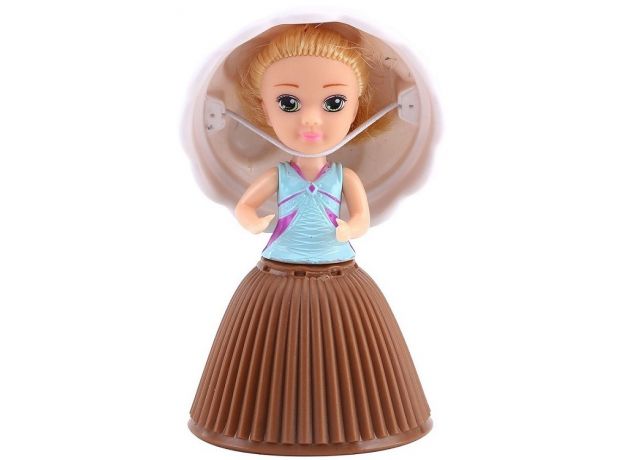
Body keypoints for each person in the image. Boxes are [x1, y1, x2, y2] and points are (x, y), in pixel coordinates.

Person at [183, 19, 440, 455]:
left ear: (356, 108)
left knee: (354, 356)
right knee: (265, 356)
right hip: (274, 279)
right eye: (288, 103)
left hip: (342, 278)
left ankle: (361, 425)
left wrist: (350, 228)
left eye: (334, 102)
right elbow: (246, 206)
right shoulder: (278, 176)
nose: (310, 120)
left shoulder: (345, 177)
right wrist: (252, 220)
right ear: (264, 109)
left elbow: (360, 217)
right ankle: (257, 425)